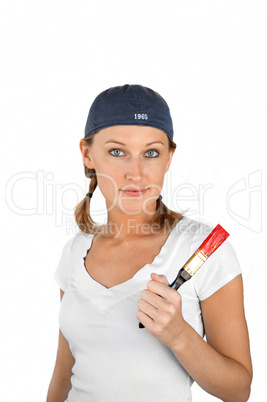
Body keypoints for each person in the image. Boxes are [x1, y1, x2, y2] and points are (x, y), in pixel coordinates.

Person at [46, 84, 252, 402]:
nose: (136, 173)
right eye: (117, 152)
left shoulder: (207, 250)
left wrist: (180, 335)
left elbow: (238, 390)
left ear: (169, 157)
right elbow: (63, 377)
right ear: (87, 154)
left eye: (151, 153)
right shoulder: (75, 252)